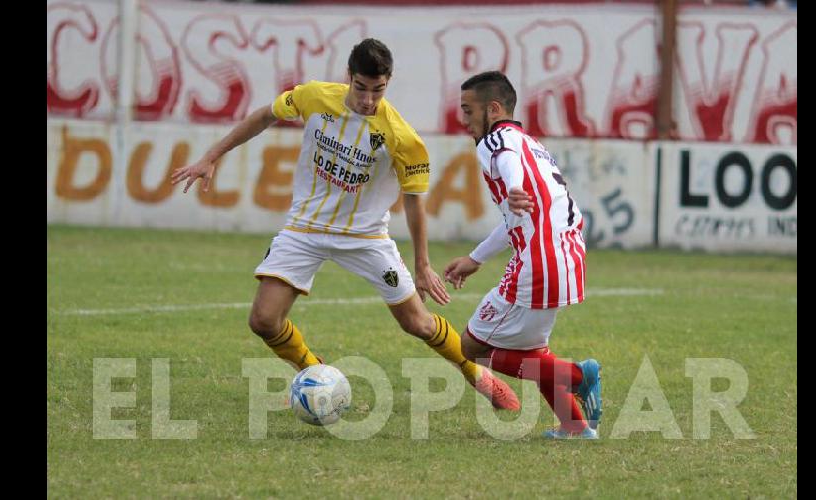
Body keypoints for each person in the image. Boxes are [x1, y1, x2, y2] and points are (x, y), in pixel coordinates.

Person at [171, 39, 518, 411]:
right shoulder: (314, 97)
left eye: (378, 90)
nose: (369, 100)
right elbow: (264, 116)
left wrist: (422, 265)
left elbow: (415, 202)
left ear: (388, 83)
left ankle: (479, 377)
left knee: (418, 323)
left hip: (366, 237)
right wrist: (212, 156)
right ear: (348, 77)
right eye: (362, 88)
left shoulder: (402, 138)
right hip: (305, 229)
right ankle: (315, 374)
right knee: (263, 320)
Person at [444, 70, 602, 438]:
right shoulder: (532, 144)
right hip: (566, 253)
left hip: (539, 260)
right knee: (532, 349)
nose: (464, 120)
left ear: (494, 109)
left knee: (472, 346)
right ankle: (575, 426)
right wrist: (476, 258)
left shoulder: (496, 140)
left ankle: (579, 375)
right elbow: (516, 215)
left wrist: (513, 186)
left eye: (468, 111)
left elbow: (507, 160)